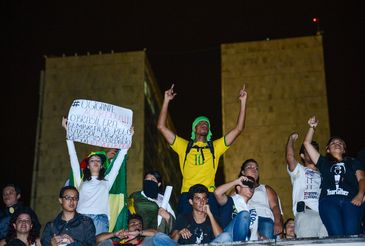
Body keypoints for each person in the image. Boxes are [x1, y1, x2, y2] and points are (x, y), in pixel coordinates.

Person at [157, 84, 248, 215]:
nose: (204, 124)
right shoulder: (184, 146)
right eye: (201, 123)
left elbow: (238, 129)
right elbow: (161, 127)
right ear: (194, 129)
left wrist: (243, 102)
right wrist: (166, 100)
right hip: (187, 194)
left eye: (207, 124)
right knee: (184, 231)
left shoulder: (215, 147)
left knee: (212, 231)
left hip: (209, 194)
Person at [62, 117, 133, 235]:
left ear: (101, 166)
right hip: (81, 218)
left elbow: (118, 161)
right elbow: (73, 157)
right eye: (92, 160)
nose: (95, 162)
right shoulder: (80, 180)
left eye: (98, 161)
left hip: (100, 220)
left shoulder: (107, 181)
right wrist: (68, 131)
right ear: (88, 166)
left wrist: (128, 137)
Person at [303, 116, 365, 236]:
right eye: (333, 143)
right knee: (336, 236)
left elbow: (362, 179)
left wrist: (360, 194)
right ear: (327, 149)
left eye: (340, 143)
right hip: (328, 201)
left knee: (352, 235)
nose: (337, 144)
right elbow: (306, 143)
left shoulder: (353, 162)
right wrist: (312, 128)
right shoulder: (324, 162)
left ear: (344, 149)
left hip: (351, 200)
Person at [286, 132, 328, 238]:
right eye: (308, 150)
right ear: (302, 156)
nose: (311, 152)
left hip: (325, 215)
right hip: (306, 214)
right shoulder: (299, 170)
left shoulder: (323, 173)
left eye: (313, 150)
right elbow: (290, 157)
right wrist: (290, 139)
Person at [240, 159, 283, 239]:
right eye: (250, 167)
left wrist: (277, 222)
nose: (254, 170)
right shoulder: (237, 189)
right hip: (247, 220)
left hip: (264, 218)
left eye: (256, 168)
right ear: (243, 172)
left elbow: (275, 206)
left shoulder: (265, 188)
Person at [213, 175, 257, 242]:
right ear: (238, 188)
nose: (251, 188)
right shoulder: (230, 200)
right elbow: (217, 193)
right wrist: (236, 182)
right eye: (248, 184)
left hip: (247, 239)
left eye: (253, 186)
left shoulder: (252, 208)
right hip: (227, 238)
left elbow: (253, 230)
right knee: (244, 215)